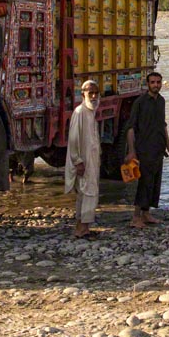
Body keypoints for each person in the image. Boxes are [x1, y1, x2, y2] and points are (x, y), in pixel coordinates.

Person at [124, 72, 169, 228]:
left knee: (154, 182)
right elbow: (131, 128)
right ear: (148, 84)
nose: (156, 85)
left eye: (158, 82)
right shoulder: (140, 102)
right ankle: (135, 217)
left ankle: (146, 214)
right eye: (153, 82)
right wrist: (132, 151)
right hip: (143, 148)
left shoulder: (161, 101)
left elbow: (163, 125)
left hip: (158, 148)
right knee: (143, 182)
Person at [65, 80, 102, 239]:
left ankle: (83, 227)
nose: (93, 96)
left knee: (87, 191)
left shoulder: (91, 112)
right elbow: (73, 140)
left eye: (96, 93)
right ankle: (81, 229)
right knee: (88, 192)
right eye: (90, 93)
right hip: (83, 161)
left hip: (92, 160)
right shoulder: (79, 112)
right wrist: (78, 161)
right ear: (83, 94)